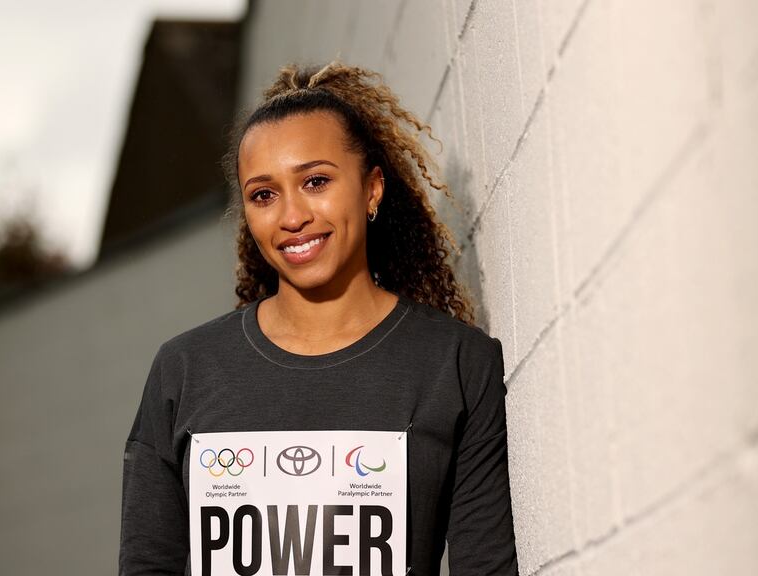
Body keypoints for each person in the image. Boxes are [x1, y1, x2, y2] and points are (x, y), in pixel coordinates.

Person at [119, 60, 519, 576]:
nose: (291, 217)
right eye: (264, 195)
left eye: (315, 181)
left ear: (372, 188)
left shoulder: (457, 364)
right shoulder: (185, 370)